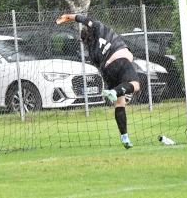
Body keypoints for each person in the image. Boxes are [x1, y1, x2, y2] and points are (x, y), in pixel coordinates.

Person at [56, 13, 140, 149]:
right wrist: (68, 17)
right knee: (135, 85)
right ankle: (114, 91)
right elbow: (83, 19)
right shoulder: (100, 28)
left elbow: (101, 67)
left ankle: (124, 136)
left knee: (119, 104)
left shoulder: (91, 51)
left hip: (108, 70)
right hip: (121, 59)